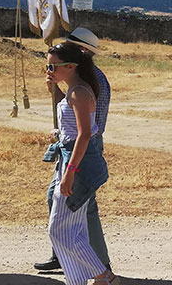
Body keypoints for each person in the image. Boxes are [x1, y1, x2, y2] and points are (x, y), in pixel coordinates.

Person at [36, 28, 112, 273]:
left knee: (83, 206)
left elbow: (86, 128)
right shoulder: (79, 80)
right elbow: (67, 109)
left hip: (84, 148)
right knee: (61, 200)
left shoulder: (92, 80)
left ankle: (99, 265)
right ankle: (68, 253)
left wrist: (71, 166)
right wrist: (54, 88)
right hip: (74, 145)